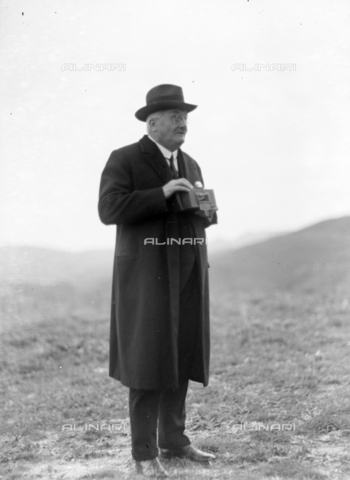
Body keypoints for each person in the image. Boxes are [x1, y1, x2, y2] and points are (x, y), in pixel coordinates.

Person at [98, 84, 217, 478]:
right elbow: (109, 208)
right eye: (174, 116)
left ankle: (175, 441)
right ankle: (144, 455)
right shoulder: (126, 158)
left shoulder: (192, 164)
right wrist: (162, 191)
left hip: (187, 274)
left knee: (181, 354)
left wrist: (207, 209)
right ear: (152, 123)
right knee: (148, 363)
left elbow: (197, 215)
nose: (183, 122)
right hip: (147, 280)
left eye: (185, 116)